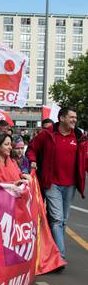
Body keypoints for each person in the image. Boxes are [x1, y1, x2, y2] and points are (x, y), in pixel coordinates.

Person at [26, 107, 87, 260]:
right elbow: (32, 149)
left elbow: (84, 160)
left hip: (71, 184)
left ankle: (51, 250)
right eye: (71, 117)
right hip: (51, 183)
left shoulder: (79, 137)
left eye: (75, 117)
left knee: (62, 220)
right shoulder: (47, 135)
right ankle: (60, 256)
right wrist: (33, 161)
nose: (74, 120)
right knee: (57, 219)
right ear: (62, 118)